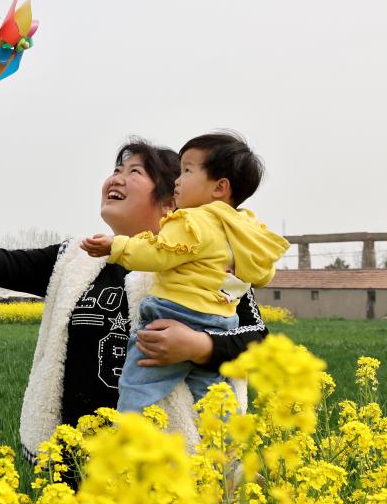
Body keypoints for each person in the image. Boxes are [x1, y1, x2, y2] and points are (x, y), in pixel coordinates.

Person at [0, 137, 270, 461]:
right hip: (77, 465)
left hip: (164, 470)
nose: (116, 178)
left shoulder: (205, 271)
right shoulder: (78, 260)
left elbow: (255, 338)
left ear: (169, 201)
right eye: (116, 169)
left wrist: (198, 346)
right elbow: (8, 266)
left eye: (135, 172)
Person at [81, 133, 289, 413]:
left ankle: (130, 435)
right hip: (220, 323)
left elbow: (158, 253)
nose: (177, 181)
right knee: (215, 397)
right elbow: (260, 275)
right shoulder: (245, 230)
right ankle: (224, 447)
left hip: (173, 315)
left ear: (219, 188)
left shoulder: (192, 220)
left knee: (137, 386)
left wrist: (116, 246)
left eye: (187, 171)